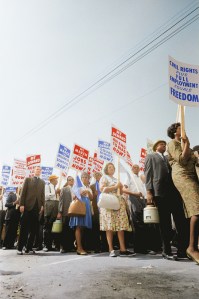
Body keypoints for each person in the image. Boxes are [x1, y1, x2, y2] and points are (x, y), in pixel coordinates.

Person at [145, 140, 189, 260]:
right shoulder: (151, 156)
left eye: (165, 144)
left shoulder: (168, 158)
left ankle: (182, 251)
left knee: (180, 221)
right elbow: (148, 174)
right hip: (160, 192)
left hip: (174, 192)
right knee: (165, 223)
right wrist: (149, 191)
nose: (164, 146)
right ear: (156, 147)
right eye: (161, 144)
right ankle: (166, 251)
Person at [167, 123, 199, 264]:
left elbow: (193, 161)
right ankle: (191, 248)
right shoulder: (172, 143)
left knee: (195, 210)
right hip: (183, 176)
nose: (184, 129)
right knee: (197, 209)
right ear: (175, 132)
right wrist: (187, 143)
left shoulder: (187, 146)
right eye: (181, 127)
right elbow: (182, 159)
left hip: (193, 176)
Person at [99, 162, 135, 257]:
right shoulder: (104, 177)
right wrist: (115, 187)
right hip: (109, 202)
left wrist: (134, 193)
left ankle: (123, 249)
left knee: (121, 225)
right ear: (106, 169)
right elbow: (102, 189)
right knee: (109, 226)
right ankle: (111, 249)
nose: (111, 168)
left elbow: (123, 190)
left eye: (113, 167)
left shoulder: (116, 179)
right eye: (109, 167)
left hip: (118, 202)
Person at [17, 166, 45, 255]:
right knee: (24, 228)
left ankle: (29, 248)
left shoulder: (42, 182)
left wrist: (42, 205)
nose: (38, 171)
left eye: (40, 170)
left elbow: (42, 195)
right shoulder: (28, 180)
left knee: (34, 229)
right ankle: (20, 248)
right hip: (27, 207)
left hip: (36, 208)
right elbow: (23, 193)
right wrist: (21, 204)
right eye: (37, 169)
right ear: (34, 171)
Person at [123, 164, 148, 253]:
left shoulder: (140, 178)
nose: (136, 168)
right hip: (134, 199)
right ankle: (138, 248)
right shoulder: (129, 177)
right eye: (134, 167)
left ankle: (143, 247)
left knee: (143, 222)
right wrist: (135, 194)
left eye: (137, 167)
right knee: (137, 223)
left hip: (142, 200)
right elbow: (124, 189)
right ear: (131, 169)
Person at [69, 172, 93, 255]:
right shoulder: (77, 185)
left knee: (83, 227)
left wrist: (88, 192)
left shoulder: (88, 187)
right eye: (84, 177)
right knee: (79, 226)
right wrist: (79, 193)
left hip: (87, 206)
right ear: (81, 178)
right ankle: (79, 248)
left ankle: (81, 245)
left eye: (87, 177)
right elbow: (73, 196)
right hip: (79, 206)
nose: (86, 178)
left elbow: (92, 198)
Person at [57, 176, 75, 253]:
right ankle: (62, 246)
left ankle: (70, 246)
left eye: (72, 180)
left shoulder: (76, 189)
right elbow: (61, 201)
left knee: (71, 230)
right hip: (65, 211)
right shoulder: (64, 189)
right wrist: (60, 211)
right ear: (67, 181)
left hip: (74, 212)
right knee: (64, 229)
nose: (71, 181)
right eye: (69, 180)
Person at [43, 174, 60, 252]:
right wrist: (54, 193)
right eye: (56, 179)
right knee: (47, 226)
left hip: (55, 207)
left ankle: (50, 245)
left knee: (52, 227)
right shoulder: (47, 186)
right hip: (49, 207)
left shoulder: (55, 187)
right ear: (52, 180)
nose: (57, 181)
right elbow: (46, 196)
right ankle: (46, 245)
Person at [90, 172, 104, 252]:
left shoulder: (104, 185)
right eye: (96, 175)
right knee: (96, 227)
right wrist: (94, 195)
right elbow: (90, 198)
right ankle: (96, 246)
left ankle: (105, 245)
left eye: (99, 175)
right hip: (96, 209)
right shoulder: (92, 186)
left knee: (104, 227)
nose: (98, 176)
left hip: (104, 208)